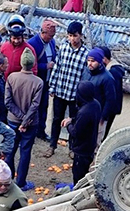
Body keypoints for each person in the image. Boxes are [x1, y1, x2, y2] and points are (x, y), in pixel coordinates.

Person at [45, 21, 89, 158]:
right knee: (56, 119)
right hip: (60, 91)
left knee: (74, 121)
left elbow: (85, 76)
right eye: (70, 35)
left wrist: (82, 95)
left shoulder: (85, 54)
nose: (72, 39)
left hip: (74, 95)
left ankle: (72, 148)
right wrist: (52, 86)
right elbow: (56, 68)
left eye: (75, 36)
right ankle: (52, 145)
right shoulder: (63, 48)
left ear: (81, 36)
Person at [5, 49, 44, 191]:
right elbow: (35, 106)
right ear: (33, 64)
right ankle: (21, 182)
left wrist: (20, 119)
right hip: (31, 123)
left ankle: (8, 178)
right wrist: (25, 121)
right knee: (25, 151)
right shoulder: (38, 82)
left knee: (10, 150)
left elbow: (8, 102)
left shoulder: (11, 77)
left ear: (21, 63)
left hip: (12, 120)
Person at [27, 20, 58, 144]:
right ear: (43, 33)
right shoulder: (32, 44)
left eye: (53, 36)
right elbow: (29, 65)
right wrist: (45, 66)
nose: (52, 38)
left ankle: (41, 131)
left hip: (47, 81)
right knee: (33, 106)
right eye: (50, 36)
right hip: (35, 81)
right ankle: (30, 130)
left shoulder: (52, 43)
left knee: (44, 106)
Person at [65, 81, 101, 184]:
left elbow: (76, 132)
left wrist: (68, 124)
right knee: (84, 173)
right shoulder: (96, 104)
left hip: (81, 149)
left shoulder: (84, 112)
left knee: (79, 177)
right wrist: (72, 120)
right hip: (90, 145)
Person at [85, 48, 117, 140]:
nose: (90, 63)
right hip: (86, 113)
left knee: (95, 142)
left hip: (99, 116)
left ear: (99, 62)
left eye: (93, 61)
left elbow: (110, 100)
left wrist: (103, 118)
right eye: (88, 60)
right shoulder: (86, 72)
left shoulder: (108, 78)